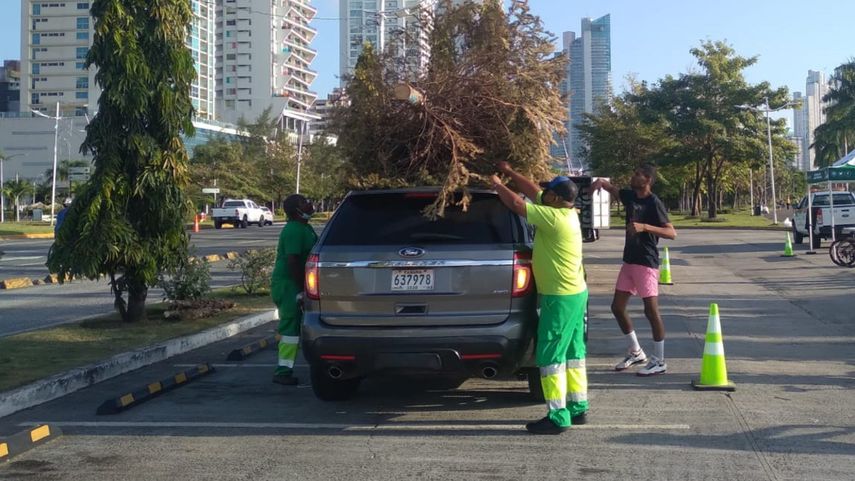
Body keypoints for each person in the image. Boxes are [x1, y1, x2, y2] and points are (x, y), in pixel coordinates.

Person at [491, 162, 589, 435]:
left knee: (550, 356)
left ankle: (558, 416)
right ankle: (578, 406)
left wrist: (498, 185)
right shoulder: (565, 212)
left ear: (556, 198)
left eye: (548, 193)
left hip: (559, 298)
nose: (542, 194)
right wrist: (511, 173)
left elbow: (519, 206)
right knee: (573, 353)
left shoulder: (553, 218)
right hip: (575, 293)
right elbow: (532, 192)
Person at [590, 164, 677, 376]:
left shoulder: (653, 202)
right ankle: (636, 351)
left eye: (637, 174)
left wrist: (645, 227)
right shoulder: (630, 196)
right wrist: (600, 183)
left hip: (646, 262)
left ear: (647, 179)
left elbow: (671, 232)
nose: (633, 176)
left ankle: (659, 360)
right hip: (629, 261)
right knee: (617, 307)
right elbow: (613, 189)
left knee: (651, 311)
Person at [270, 194, 318, 386]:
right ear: (296, 210)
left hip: (296, 283)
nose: (309, 204)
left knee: (296, 325)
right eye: (304, 202)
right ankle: (283, 371)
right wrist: (302, 288)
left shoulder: (305, 228)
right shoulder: (293, 230)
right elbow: (292, 261)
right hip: (289, 284)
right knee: (290, 328)